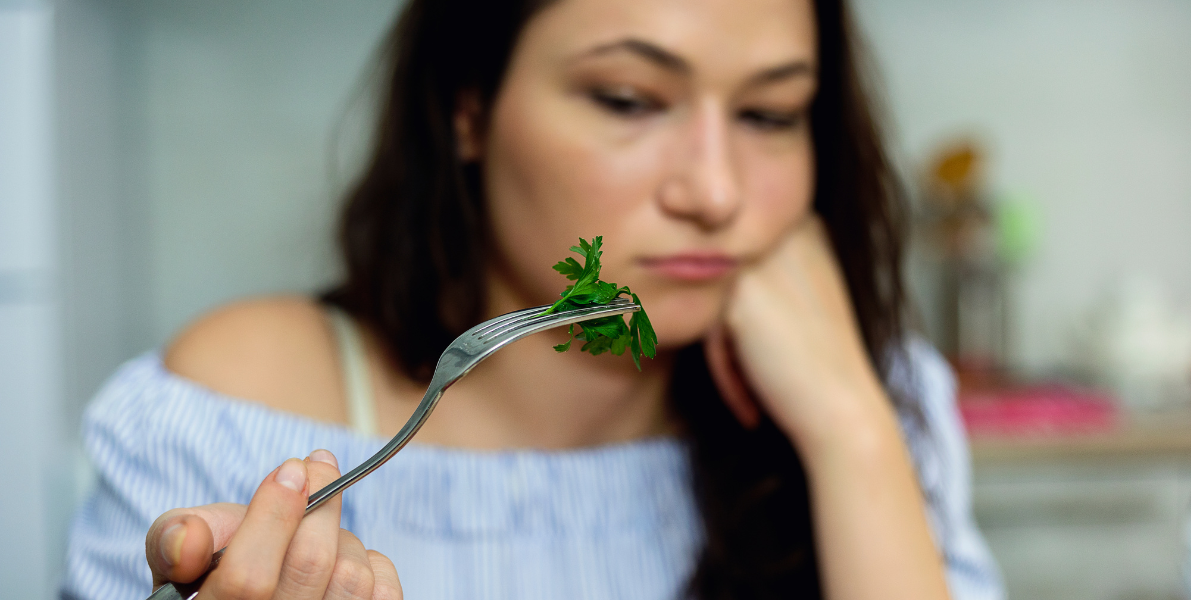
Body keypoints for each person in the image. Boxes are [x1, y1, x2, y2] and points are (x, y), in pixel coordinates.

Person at [61, 0, 1004, 598]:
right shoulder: (228, 416)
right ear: (469, 110)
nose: (715, 192)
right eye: (630, 99)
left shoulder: (876, 399)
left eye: (769, 114)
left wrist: (849, 430)